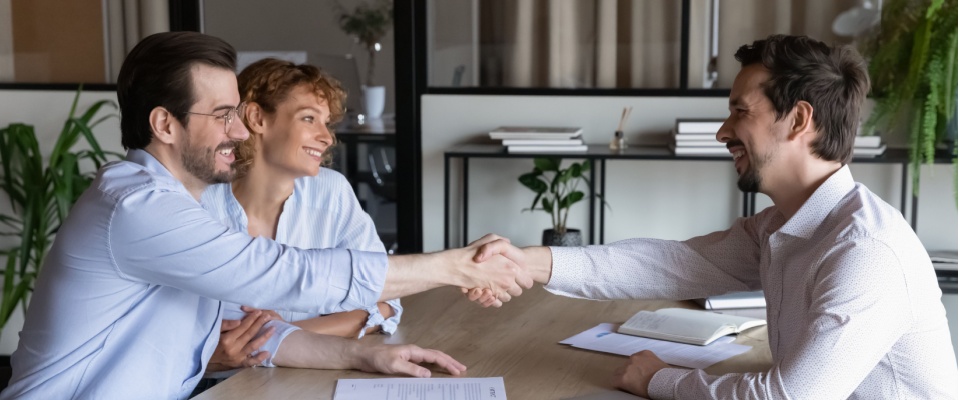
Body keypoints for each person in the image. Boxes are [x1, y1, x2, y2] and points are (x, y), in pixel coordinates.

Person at [0, 31, 530, 400]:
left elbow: (250, 330)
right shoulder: (137, 206)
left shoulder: (189, 203)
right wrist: (454, 266)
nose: (238, 130)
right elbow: (283, 274)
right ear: (165, 124)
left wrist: (366, 358)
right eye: (223, 115)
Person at [473, 34, 958, 399]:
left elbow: (784, 398)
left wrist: (660, 379)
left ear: (798, 120)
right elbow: (666, 264)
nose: (723, 131)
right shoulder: (780, 225)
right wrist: (526, 262)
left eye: (739, 112)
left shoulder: (864, 251)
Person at [199, 58, 402, 373]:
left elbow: (387, 303)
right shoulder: (198, 206)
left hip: (309, 379)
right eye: (309, 118)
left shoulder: (331, 192)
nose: (327, 137)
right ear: (256, 118)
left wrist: (290, 334)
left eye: (327, 123)